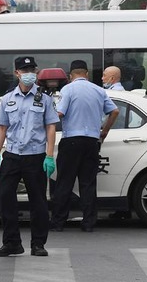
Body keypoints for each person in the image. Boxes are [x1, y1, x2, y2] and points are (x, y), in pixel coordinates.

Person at [0, 56, 59, 257]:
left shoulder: (45, 98)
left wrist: (49, 155)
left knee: (37, 201)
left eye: (31, 69)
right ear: (16, 73)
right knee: (6, 199)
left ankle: (38, 244)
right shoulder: (8, 98)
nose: (28, 73)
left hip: (35, 156)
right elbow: (2, 127)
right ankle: (12, 243)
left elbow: (51, 127)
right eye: (24, 70)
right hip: (11, 155)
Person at [50, 60, 119, 232]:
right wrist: (104, 131)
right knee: (88, 184)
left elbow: (59, 113)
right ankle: (88, 223)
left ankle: (58, 222)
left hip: (71, 141)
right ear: (86, 74)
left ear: (70, 75)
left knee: (64, 182)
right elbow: (115, 111)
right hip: (91, 142)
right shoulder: (99, 90)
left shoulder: (67, 89)